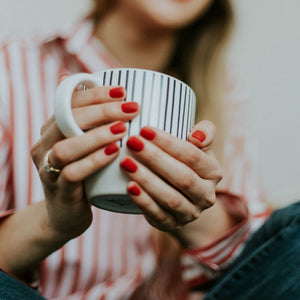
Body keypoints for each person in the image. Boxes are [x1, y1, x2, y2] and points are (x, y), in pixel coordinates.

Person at [0, 0, 299, 299]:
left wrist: (194, 209)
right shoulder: (12, 67)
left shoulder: (222, 92)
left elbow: (267, 265)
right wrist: (51, 222)